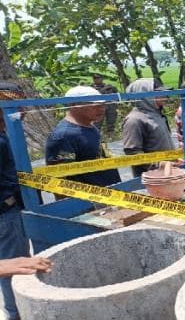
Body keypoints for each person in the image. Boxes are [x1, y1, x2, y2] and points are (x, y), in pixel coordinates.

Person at [0, 82, 51, 320]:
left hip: (13, 208)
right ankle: (17, 313)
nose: (23, 112)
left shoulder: (6, 135)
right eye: (16, 105)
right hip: (6, 213)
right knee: (16, 266)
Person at [45, 86, 121, 187]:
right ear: (73, 105)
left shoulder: (90, 126)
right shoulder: (64, 136)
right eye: (93, 104)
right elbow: (60, 179)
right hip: (90, 200)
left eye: (102, 104)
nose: (101, 108)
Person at [122, 78, 175, 177]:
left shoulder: (157, 114)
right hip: (152, 178)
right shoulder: (134, 120)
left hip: (168, 172)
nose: (165, 96)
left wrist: (173, 160)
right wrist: (159, 164)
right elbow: (133, 154)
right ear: (145, 96)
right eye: (159, 93)